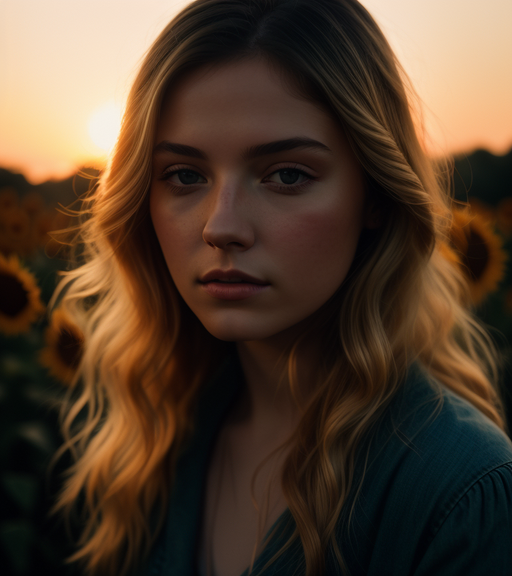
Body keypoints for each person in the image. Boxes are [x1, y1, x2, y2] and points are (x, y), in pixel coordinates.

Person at [50, 0, 512, 575]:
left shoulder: (460, 494)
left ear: (374, 194)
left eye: (287, 174)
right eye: (184, 175)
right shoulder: (153, 446)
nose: (221, 226)